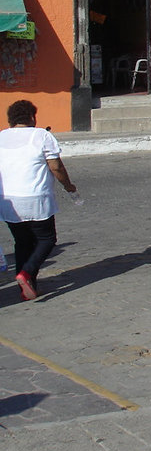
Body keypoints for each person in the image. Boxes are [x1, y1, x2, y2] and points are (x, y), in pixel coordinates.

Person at [0, 100, 77, 301]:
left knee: (22, 242)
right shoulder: (42, 136)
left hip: (8, 200)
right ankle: (27, 273)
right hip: (35, 197)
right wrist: (68, 186)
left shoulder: (1, 137)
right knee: (46, 239)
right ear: (32, 117)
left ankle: (27, 287)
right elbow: (56, 167)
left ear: (11, 119)